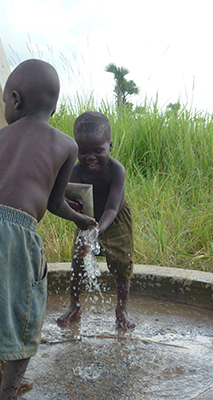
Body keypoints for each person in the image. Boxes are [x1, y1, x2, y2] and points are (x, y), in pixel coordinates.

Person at [0, 59, 96, 400]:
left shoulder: (2, 134)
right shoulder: (66, 145)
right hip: (14, 233)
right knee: (22, 311)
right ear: (55, 104)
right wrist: (82, 219)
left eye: (5, 100)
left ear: (16, 100)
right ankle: (8, 392)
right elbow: (52, 203)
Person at [57, 111, 136, 331]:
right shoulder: (74, 172)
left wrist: (96, 232)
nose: (90, 157)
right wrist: (82, 221)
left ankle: (121, 311)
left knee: (121, 264)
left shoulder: (116, 171)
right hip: (87, 219)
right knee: (78, 263)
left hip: (116, 219)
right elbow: (67, 200)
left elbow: (112, 207)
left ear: (110, 146)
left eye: (98, 150)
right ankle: (75, 305)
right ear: (75, 149)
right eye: (83, 151)